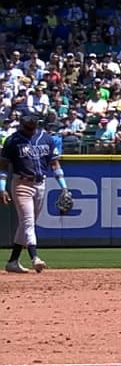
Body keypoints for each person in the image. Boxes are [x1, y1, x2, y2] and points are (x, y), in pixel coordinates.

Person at [0, 113, 66, 273]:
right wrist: (2, 188)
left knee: (26, 224)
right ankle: (35, 258)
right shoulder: (12, 141)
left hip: (40, 184)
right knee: (28, 222)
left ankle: (13, 261)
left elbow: (54, 164)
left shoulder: (47, 139)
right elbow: (2, 167)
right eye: (26, 126)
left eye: (31, 126)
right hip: (22, 184)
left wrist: (64, 186)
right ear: (22, 125)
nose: (29, 130)